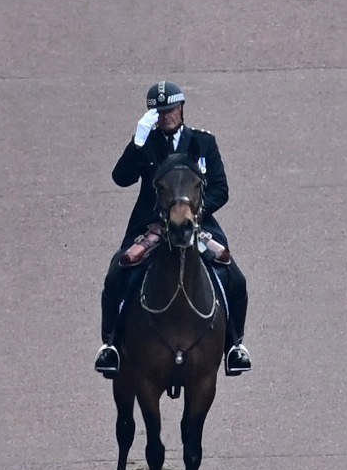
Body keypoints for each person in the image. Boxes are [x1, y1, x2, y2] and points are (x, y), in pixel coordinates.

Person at [104, 80, 251, 377]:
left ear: (181, 108)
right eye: (159, 111)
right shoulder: (146, 143)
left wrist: (193, 213)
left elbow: (220, 189)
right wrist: (137, 143)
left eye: (171, 109)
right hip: (151, 224)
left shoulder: (203, 143)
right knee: (118, 273)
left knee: (234, 276)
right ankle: (111, 345)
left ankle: (234, 345)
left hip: (195, 222)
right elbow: (121, 178)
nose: (166, 115)